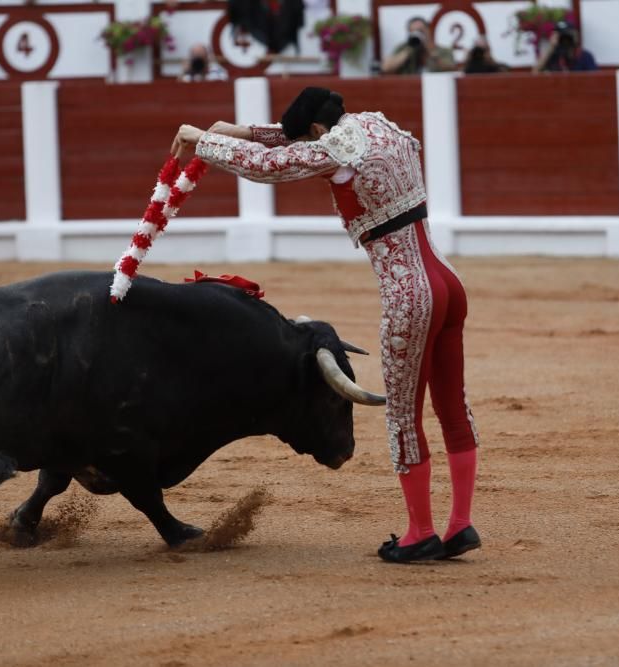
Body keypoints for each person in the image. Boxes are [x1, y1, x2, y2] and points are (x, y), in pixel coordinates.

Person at [170, 87, 481, 564]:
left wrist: (203, 141)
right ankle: (459, 525)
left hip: (410, 294)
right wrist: (240, 131)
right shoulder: (374, 124)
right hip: (448, 281)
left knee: (403, 417)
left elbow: (272, 166)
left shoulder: (333, 149)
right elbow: (295, 144)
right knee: (452, 406)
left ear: (317, 130)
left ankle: (421, 532)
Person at [380, 16, 455, 74]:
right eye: (413, 31)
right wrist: (408, 51)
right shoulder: (405, 48)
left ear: (428, 30)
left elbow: (451, 68)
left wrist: (429, 51)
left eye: (421, 31)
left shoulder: (444, 51)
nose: (418, 34)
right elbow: (386, 67)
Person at [532, 19, 597, 73]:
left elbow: (594, 79)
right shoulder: (553, 55)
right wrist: (551, 46)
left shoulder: (585, 56)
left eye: (567, 35)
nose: (564, 38)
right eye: (561, 35)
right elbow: (535, 72)